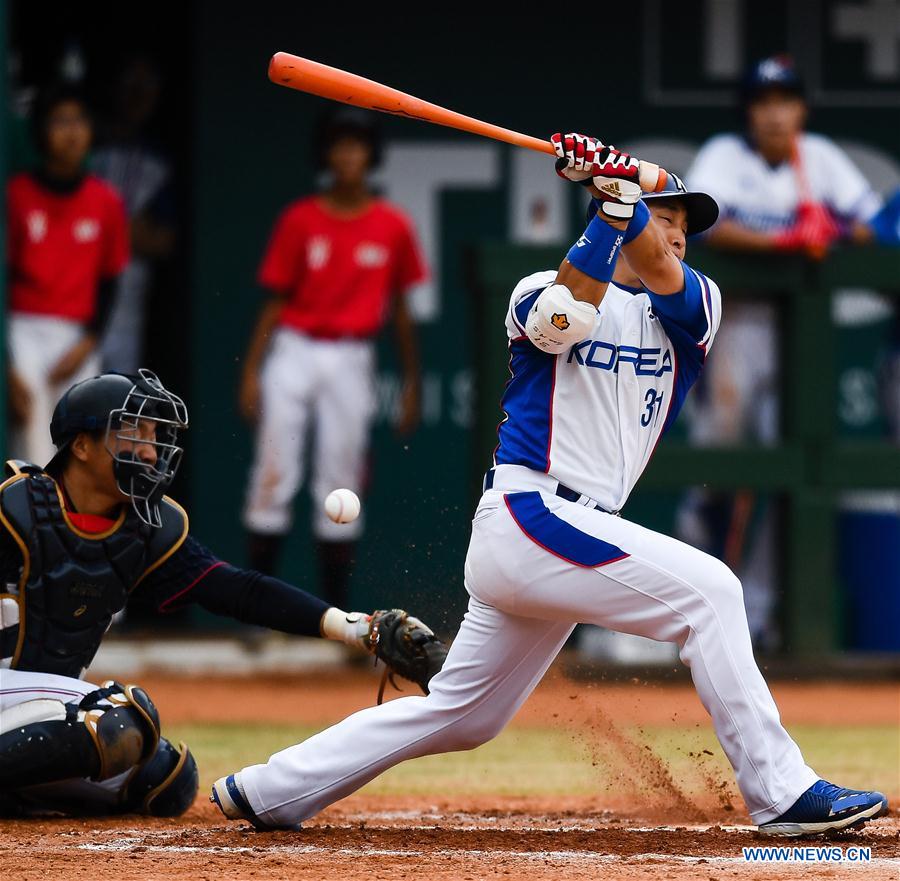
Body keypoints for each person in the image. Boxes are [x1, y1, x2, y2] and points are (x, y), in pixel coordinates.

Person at [212, 134, 888, 837]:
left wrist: (627, 208)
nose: (680, 236)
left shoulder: (696, 309)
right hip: (530, 512)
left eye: (688, 226)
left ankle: (270, 788)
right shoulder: (537, 289)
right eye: (669, 217)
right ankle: (781, 792)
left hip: (568, 535)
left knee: (466, 714)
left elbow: (658, 266)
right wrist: (609, 211)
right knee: (712, 592)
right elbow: (563, 320)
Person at [0, 370, 447, 818]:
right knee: (124, 720)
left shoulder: (146, 528)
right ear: (80, 445)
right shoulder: (15, 507)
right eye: (132, 433)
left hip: (36, 710)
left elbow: (236, 589)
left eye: (155, 435)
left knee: (165, 778)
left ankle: (17, 791)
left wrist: (357, 629)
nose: (150, 451)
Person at [682, 54, 893, 647]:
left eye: (785, 102)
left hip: (799, 336)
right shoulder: (726, 154)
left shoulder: (819, 158)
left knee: (789, 472)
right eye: (763, 103)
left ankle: (759, 614)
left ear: (800, 109)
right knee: (716, 460)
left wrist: (838, 230)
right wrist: (785, 240)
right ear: (749, 113)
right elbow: (706, 223)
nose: (775, 115)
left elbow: (872, 224)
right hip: (739, 326)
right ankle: (682, 602)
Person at [239, 108, 426, 608]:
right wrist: (252, 371)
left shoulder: (392, 225)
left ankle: (333, 615)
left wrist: (413, 382)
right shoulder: (300, 218)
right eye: (339, 145)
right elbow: (275, 300)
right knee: (273, 471)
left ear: (371, 155)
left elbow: (402, 312)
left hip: (352, 355)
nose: (348, 156)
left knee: (340, 479)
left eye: (357, 146)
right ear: (326, 154)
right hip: (294, 349)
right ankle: (259, 608)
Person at [6, 83, 129, 466]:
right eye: (60, 121)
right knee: (32, 444)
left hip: (77, 336)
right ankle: (26, 525)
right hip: (23, 329)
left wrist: (86, 344)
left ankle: (68, 527)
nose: (72, 131)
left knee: (80, 445)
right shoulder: (17, 194)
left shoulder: (105, 200)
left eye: (79, 121)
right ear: (42, 131)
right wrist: (7, 364)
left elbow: (110, 284)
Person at [92, 56, 177, 374]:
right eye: (131, 85)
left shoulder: (156, 160)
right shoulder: (89, 145)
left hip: (128, 285)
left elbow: (163, 240)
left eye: (147, 87)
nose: (138, 95)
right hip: (79, 277)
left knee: (119, 386)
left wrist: (113, 231)